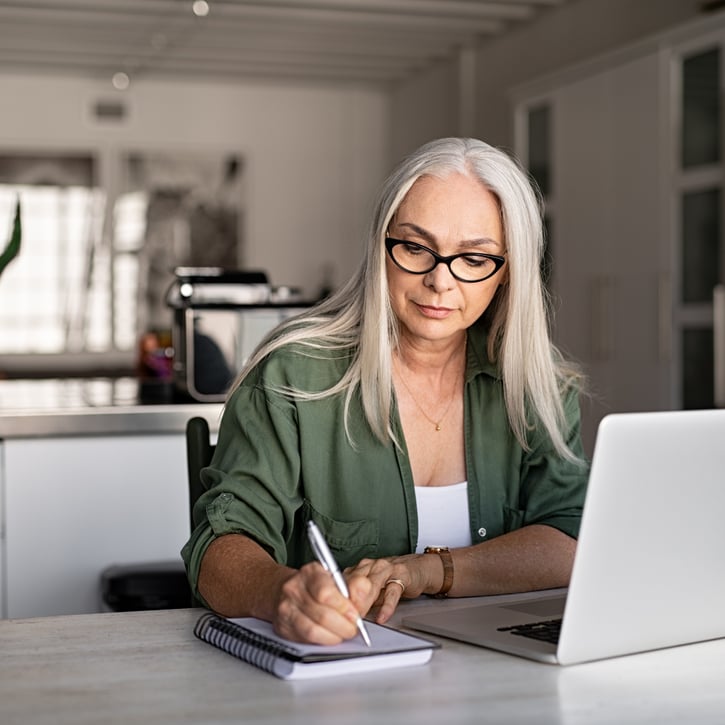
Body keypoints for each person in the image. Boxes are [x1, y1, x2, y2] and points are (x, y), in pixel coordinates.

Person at [182, 137, 589, 645]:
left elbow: (571, 539)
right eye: (416, 248)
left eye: (474, 258)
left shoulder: (538, 383)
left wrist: (425, 571)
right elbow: (219, 547)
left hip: (503, 668)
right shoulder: (292, 374)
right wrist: (280, 593)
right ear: (381, 247)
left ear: (507, 273)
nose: (441, 281)